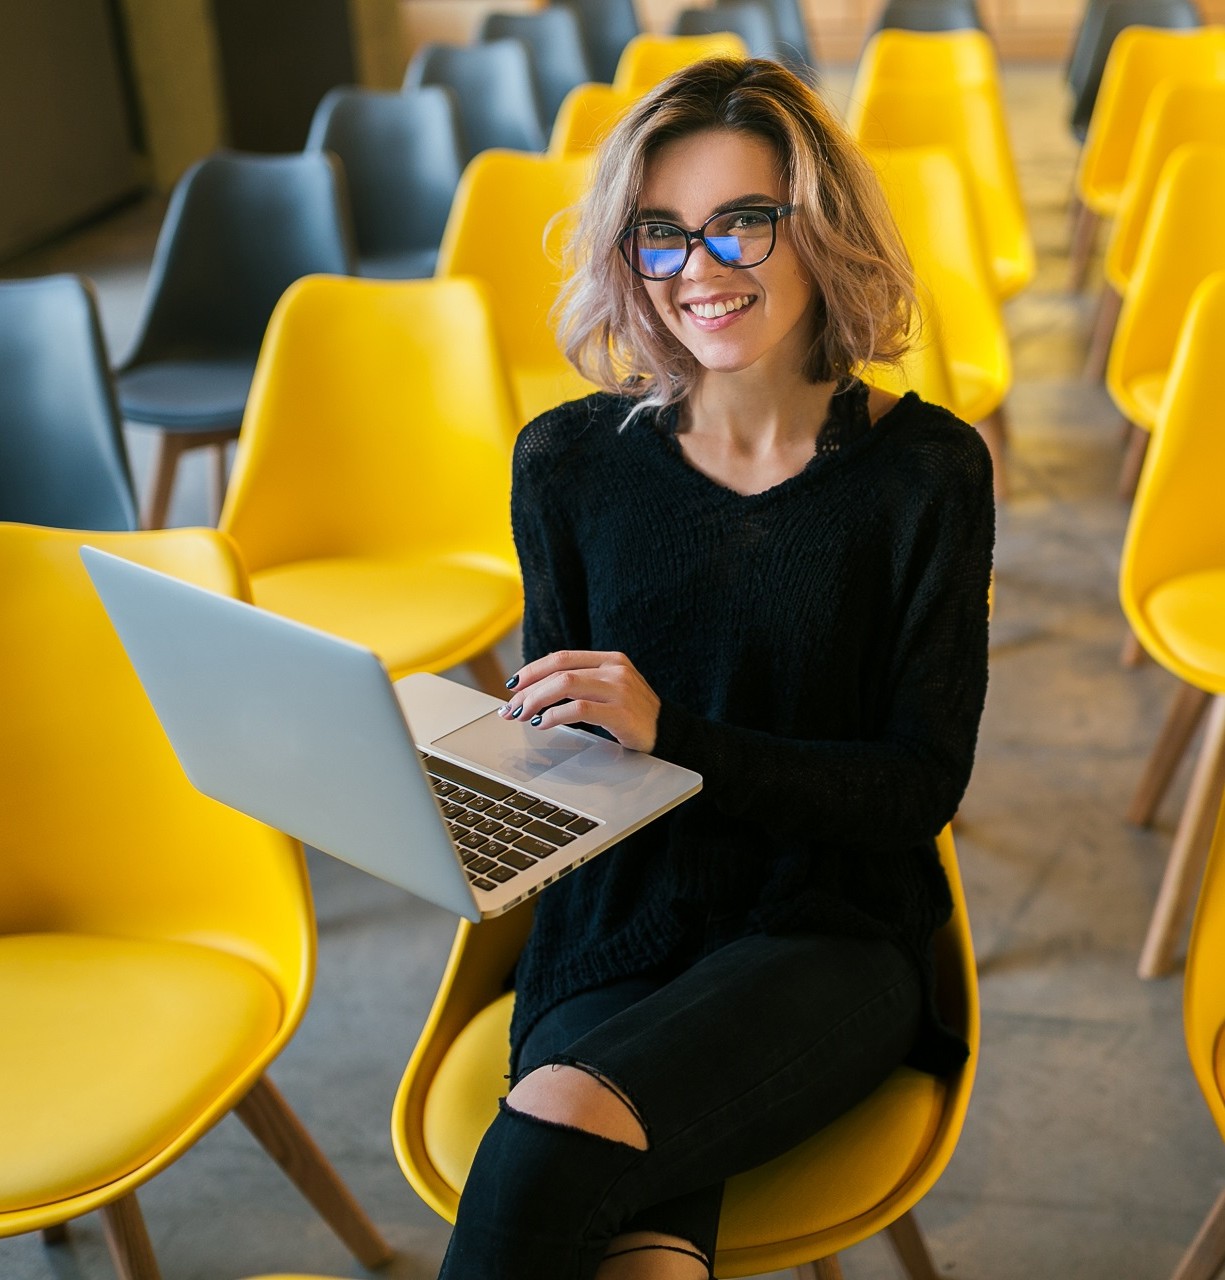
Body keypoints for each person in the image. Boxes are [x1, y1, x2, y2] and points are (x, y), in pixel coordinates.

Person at [437, 55, 994, 1280]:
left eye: (743, 223)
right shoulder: (568, 462)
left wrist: (672, 730)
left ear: (820, 232)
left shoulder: (925, 474)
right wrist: (452, 792)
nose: (700, 271)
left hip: (829, 930)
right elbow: (580, 751)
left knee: (554, 1124)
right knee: (641, 1260)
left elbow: (914, 789)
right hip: (622, 919)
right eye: (662, 235)